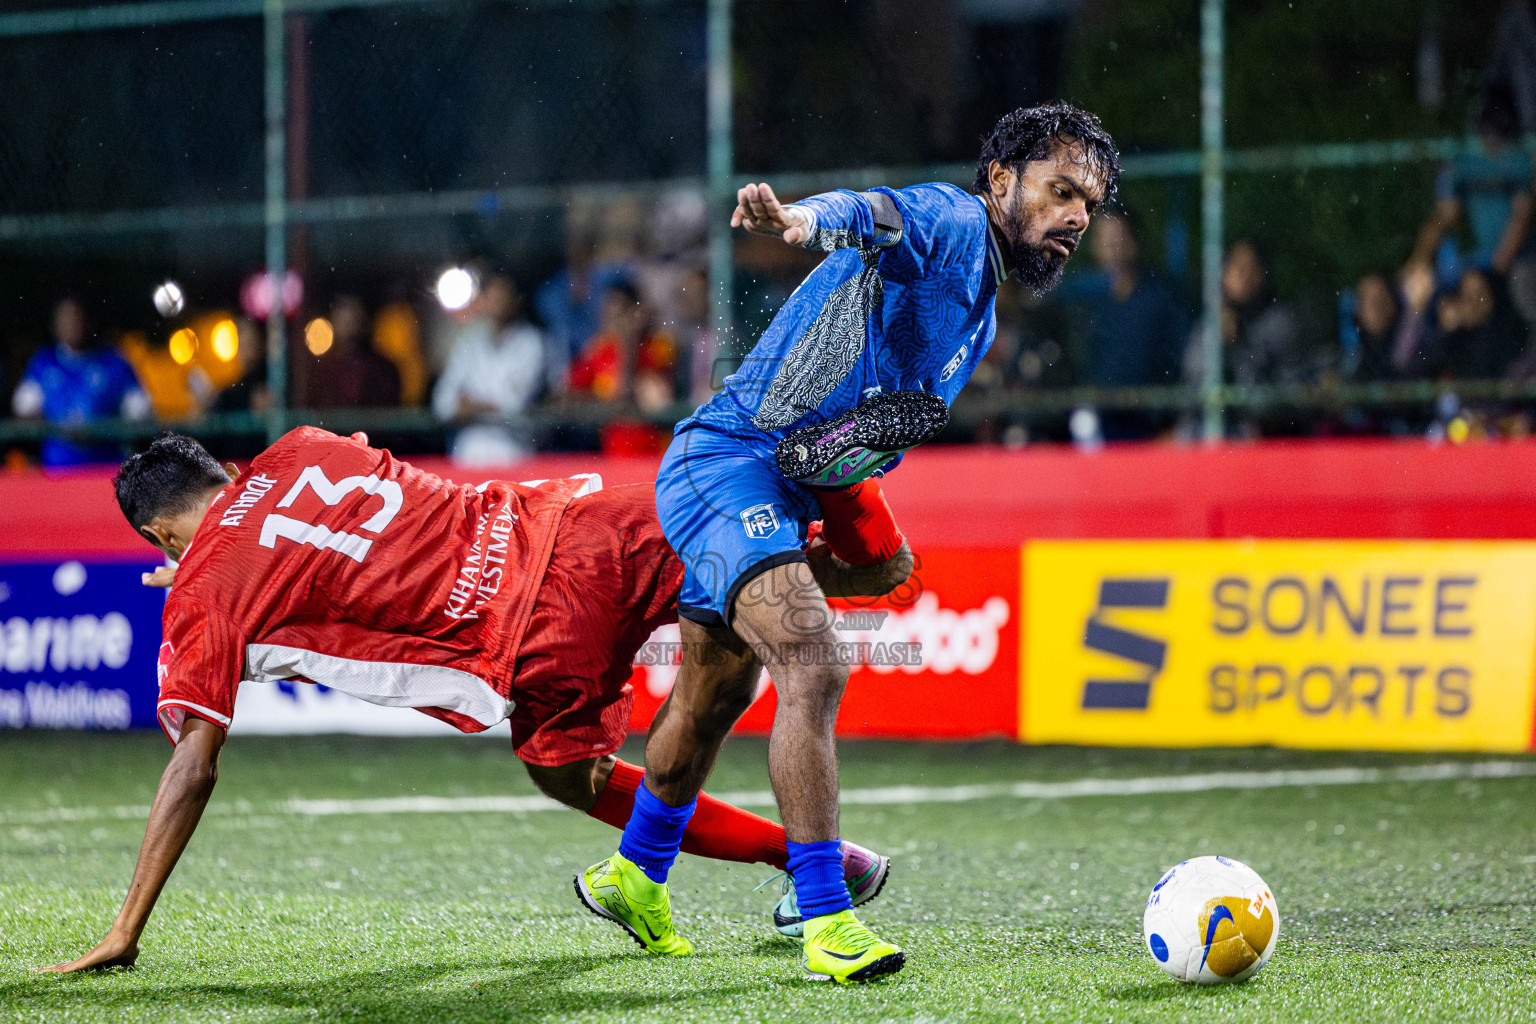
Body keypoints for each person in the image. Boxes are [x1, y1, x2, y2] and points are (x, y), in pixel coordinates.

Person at [577, 102, 1116, 984]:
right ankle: (826, 916)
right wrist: (803, 219)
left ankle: (634, 876)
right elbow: (874, 214)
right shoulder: (951, 221)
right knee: (815, 662)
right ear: (1000, 181)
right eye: (1060, 192)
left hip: (777, 487)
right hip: (726, 461)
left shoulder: (979, 305)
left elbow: (846, 436)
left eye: (1086, 209)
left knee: (713, 692)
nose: (1072, 220)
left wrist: (861, 531)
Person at [44, 427, 910, 975]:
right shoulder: (300, 445)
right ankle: (864, 540)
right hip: (588, 513)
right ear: (226, 469)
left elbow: (192, 764)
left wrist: (125, 928)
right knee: (740, 648)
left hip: (539, 623)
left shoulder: (203, 591)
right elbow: (310, 513)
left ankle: (806, 874)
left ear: (158, 537)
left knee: (565, 770)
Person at [1073, 210, 1188, 438]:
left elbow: (1180, 361)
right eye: (1105, 240)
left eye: (1119, 239)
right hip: (1100, 422)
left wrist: (1171, 424)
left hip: (1152, 423)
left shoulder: (1162, 297)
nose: (1112, 247)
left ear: (1135, 241)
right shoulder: (1084, 302)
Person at [12, 296, 150, 467]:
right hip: (56, 470)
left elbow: (140, 414)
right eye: (65, 318)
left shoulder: (113, 361)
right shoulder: (43, 363)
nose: (71, 324)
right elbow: (23, 411)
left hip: (105, 470)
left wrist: (98, 431)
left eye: (76, 317)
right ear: (55, 324)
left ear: (87, 320)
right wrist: (54, 429)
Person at [431, 273, 545, 465]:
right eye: (491, 294)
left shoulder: (532, 343)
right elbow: (443, 402)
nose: (496, 301)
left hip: (512, 453)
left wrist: (469, 404)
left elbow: (513, 405)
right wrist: (486, 405)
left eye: (502, 294)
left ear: (516, 299)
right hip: (468, 454)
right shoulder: (470, 343)